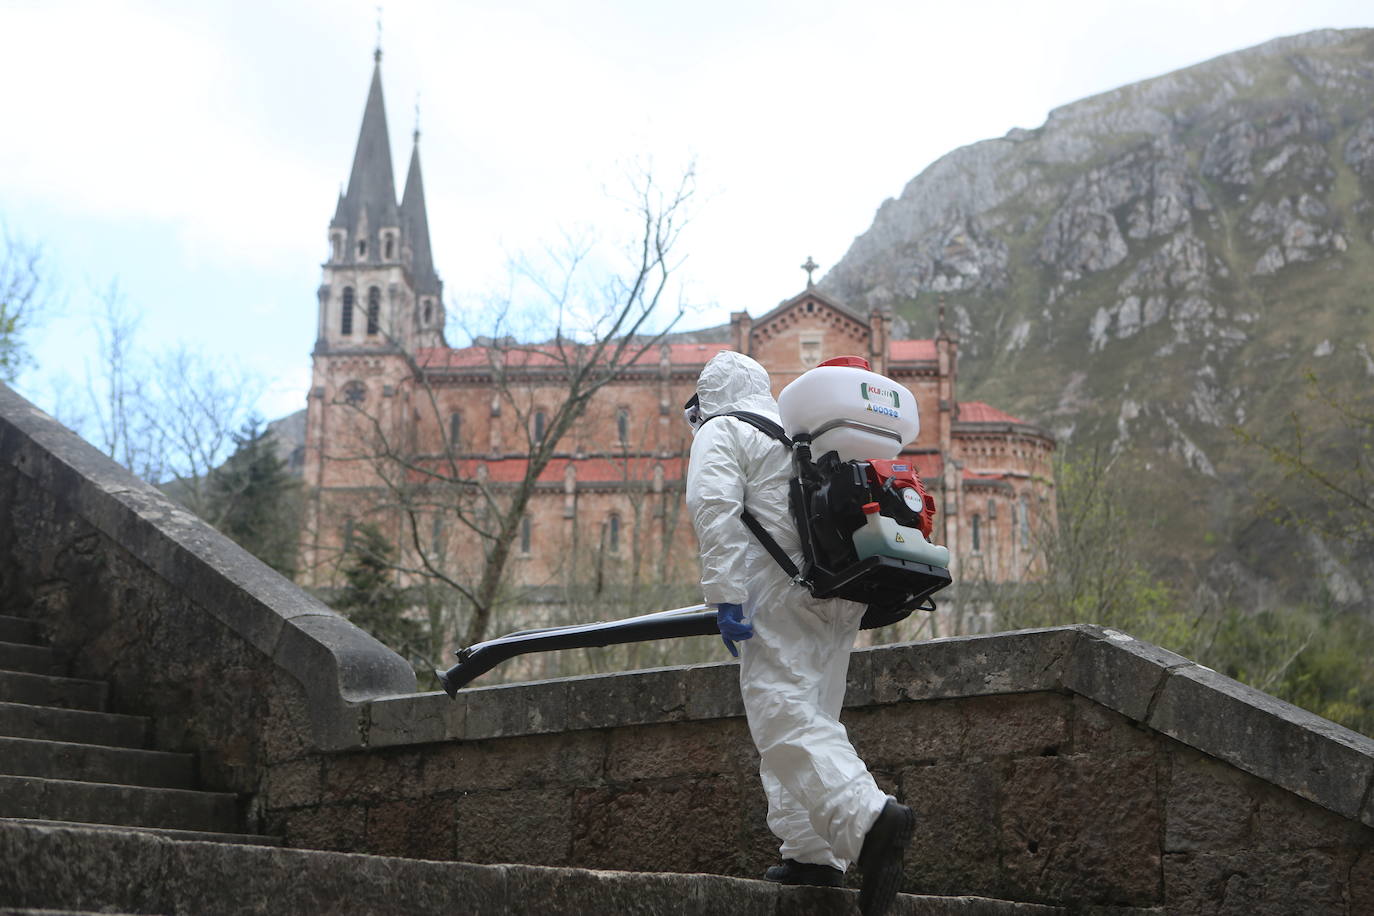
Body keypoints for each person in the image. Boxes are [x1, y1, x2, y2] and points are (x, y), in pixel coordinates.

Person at [684, 350, 914, 916]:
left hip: (781, 594)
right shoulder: (798, 437)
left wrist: (725, 596)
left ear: (712, 394)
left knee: (781, 713)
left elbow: (712, 507)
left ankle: (870, 820)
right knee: (813, 712)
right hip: (836, 591)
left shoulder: (725, 429)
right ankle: (812, 854)